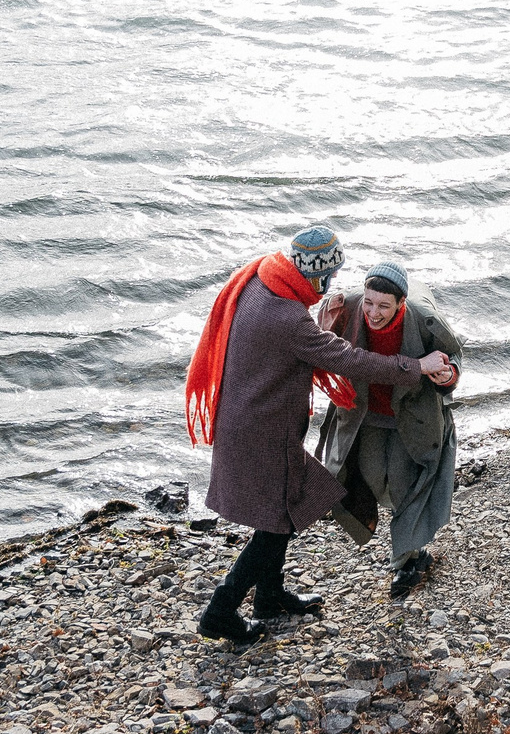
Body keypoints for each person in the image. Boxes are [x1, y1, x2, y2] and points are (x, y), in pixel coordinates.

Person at [183, 226, 455, 645]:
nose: (328, 286)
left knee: (286, 510)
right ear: (319, 277)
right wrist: (415, 367)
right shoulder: (289, 319)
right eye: (328, 278)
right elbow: (349, 360)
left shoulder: (259, 277)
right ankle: (221, 610)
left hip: (248, 417)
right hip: (261, 432)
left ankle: (269, 596)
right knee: (276, 523)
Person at [314, 261, 465, 598]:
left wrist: (448, 375)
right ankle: (404, 541)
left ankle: (409, 558)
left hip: (409, 416)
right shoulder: (350, 306)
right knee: (369, 476)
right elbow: (321, 336)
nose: (374, 312)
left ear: (401, 303)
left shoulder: (424, 319)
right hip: (365, 414)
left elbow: (453, 355)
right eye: (369, 302)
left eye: (384, 305)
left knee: (403, 481)